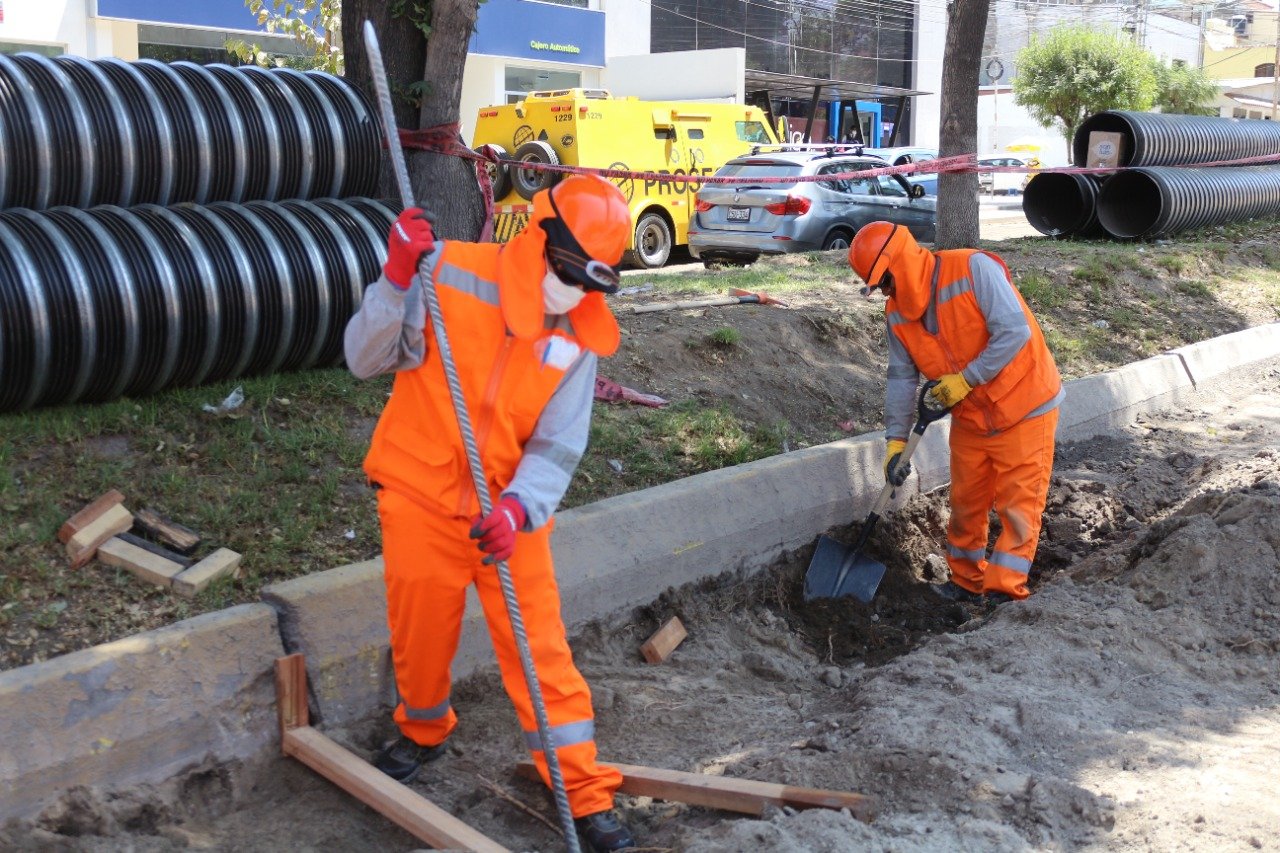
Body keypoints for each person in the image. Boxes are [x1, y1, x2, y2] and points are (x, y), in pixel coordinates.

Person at [343, 174, 636, 853]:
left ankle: (584, 794)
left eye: (591, 282)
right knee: (420, 636)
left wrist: (518, 507)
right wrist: (393, 281)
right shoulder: (444, 272)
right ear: (538, 237)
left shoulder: (577, 337)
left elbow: (560, 443)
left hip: (508, 520)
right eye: (567, 272)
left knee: (542, 654)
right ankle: (422, 731)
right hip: (419, 496)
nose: (573, 292)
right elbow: (363, 358)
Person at [848, 221, 1063, 604]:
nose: (886, 292)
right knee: (966, 504)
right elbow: (901, 379)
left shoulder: (972, 269)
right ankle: (966, 582)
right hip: (971, 416)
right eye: (879, 287)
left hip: (1024, 405)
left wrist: (966, 379)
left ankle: (1003, 593)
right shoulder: (897, 315)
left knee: (1018, 506)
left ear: (901, 262)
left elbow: (1014, 332)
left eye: (886, 282)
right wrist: (895, 442)